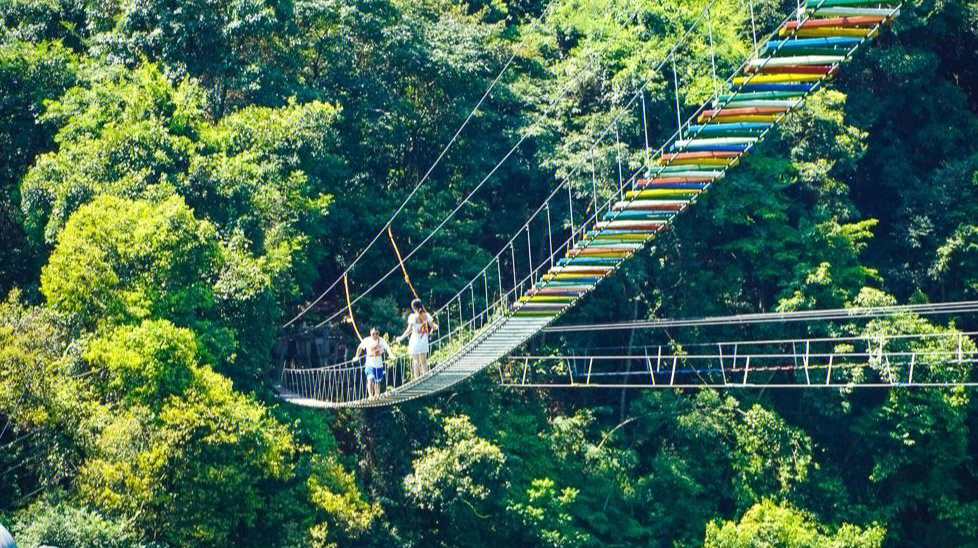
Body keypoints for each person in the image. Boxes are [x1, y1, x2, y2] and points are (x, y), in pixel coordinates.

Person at [396, 299, 438, 379]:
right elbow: (434, 326)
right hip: (423, 341)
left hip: (415, 341)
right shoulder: (427, 315)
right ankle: (426, 377)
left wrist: (400, 338)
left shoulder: (412, 317)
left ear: (413, 307)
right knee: (424, 360)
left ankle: (417, 379)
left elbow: (409, 330)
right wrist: (436, 326)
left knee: (415, 361)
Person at [354, 327, 395, 399]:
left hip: (378, 362)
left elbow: (387, 347)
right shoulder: (366, 340)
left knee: (377, 381)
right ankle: (370, 395)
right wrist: (357, 356)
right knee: (370, 378)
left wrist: (391, 355)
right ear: (370, 333)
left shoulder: (381, 340)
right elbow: (360, 347)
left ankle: (377, 395)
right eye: (373, 334)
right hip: (370, 362)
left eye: (377, 334)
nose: (375, 335)